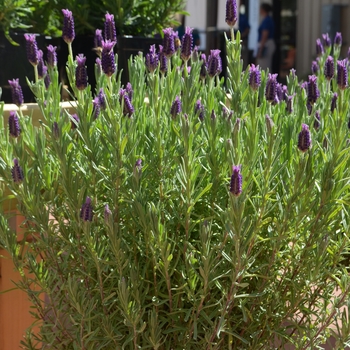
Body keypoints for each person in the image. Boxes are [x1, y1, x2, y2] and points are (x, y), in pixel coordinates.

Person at [256, 3, 275, 71]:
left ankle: (268, 81)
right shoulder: (267, 19)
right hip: (266, 44)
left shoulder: (267, 20)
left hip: (266, 45)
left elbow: (265, 35)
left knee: (264, 67)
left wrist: (261, 50)